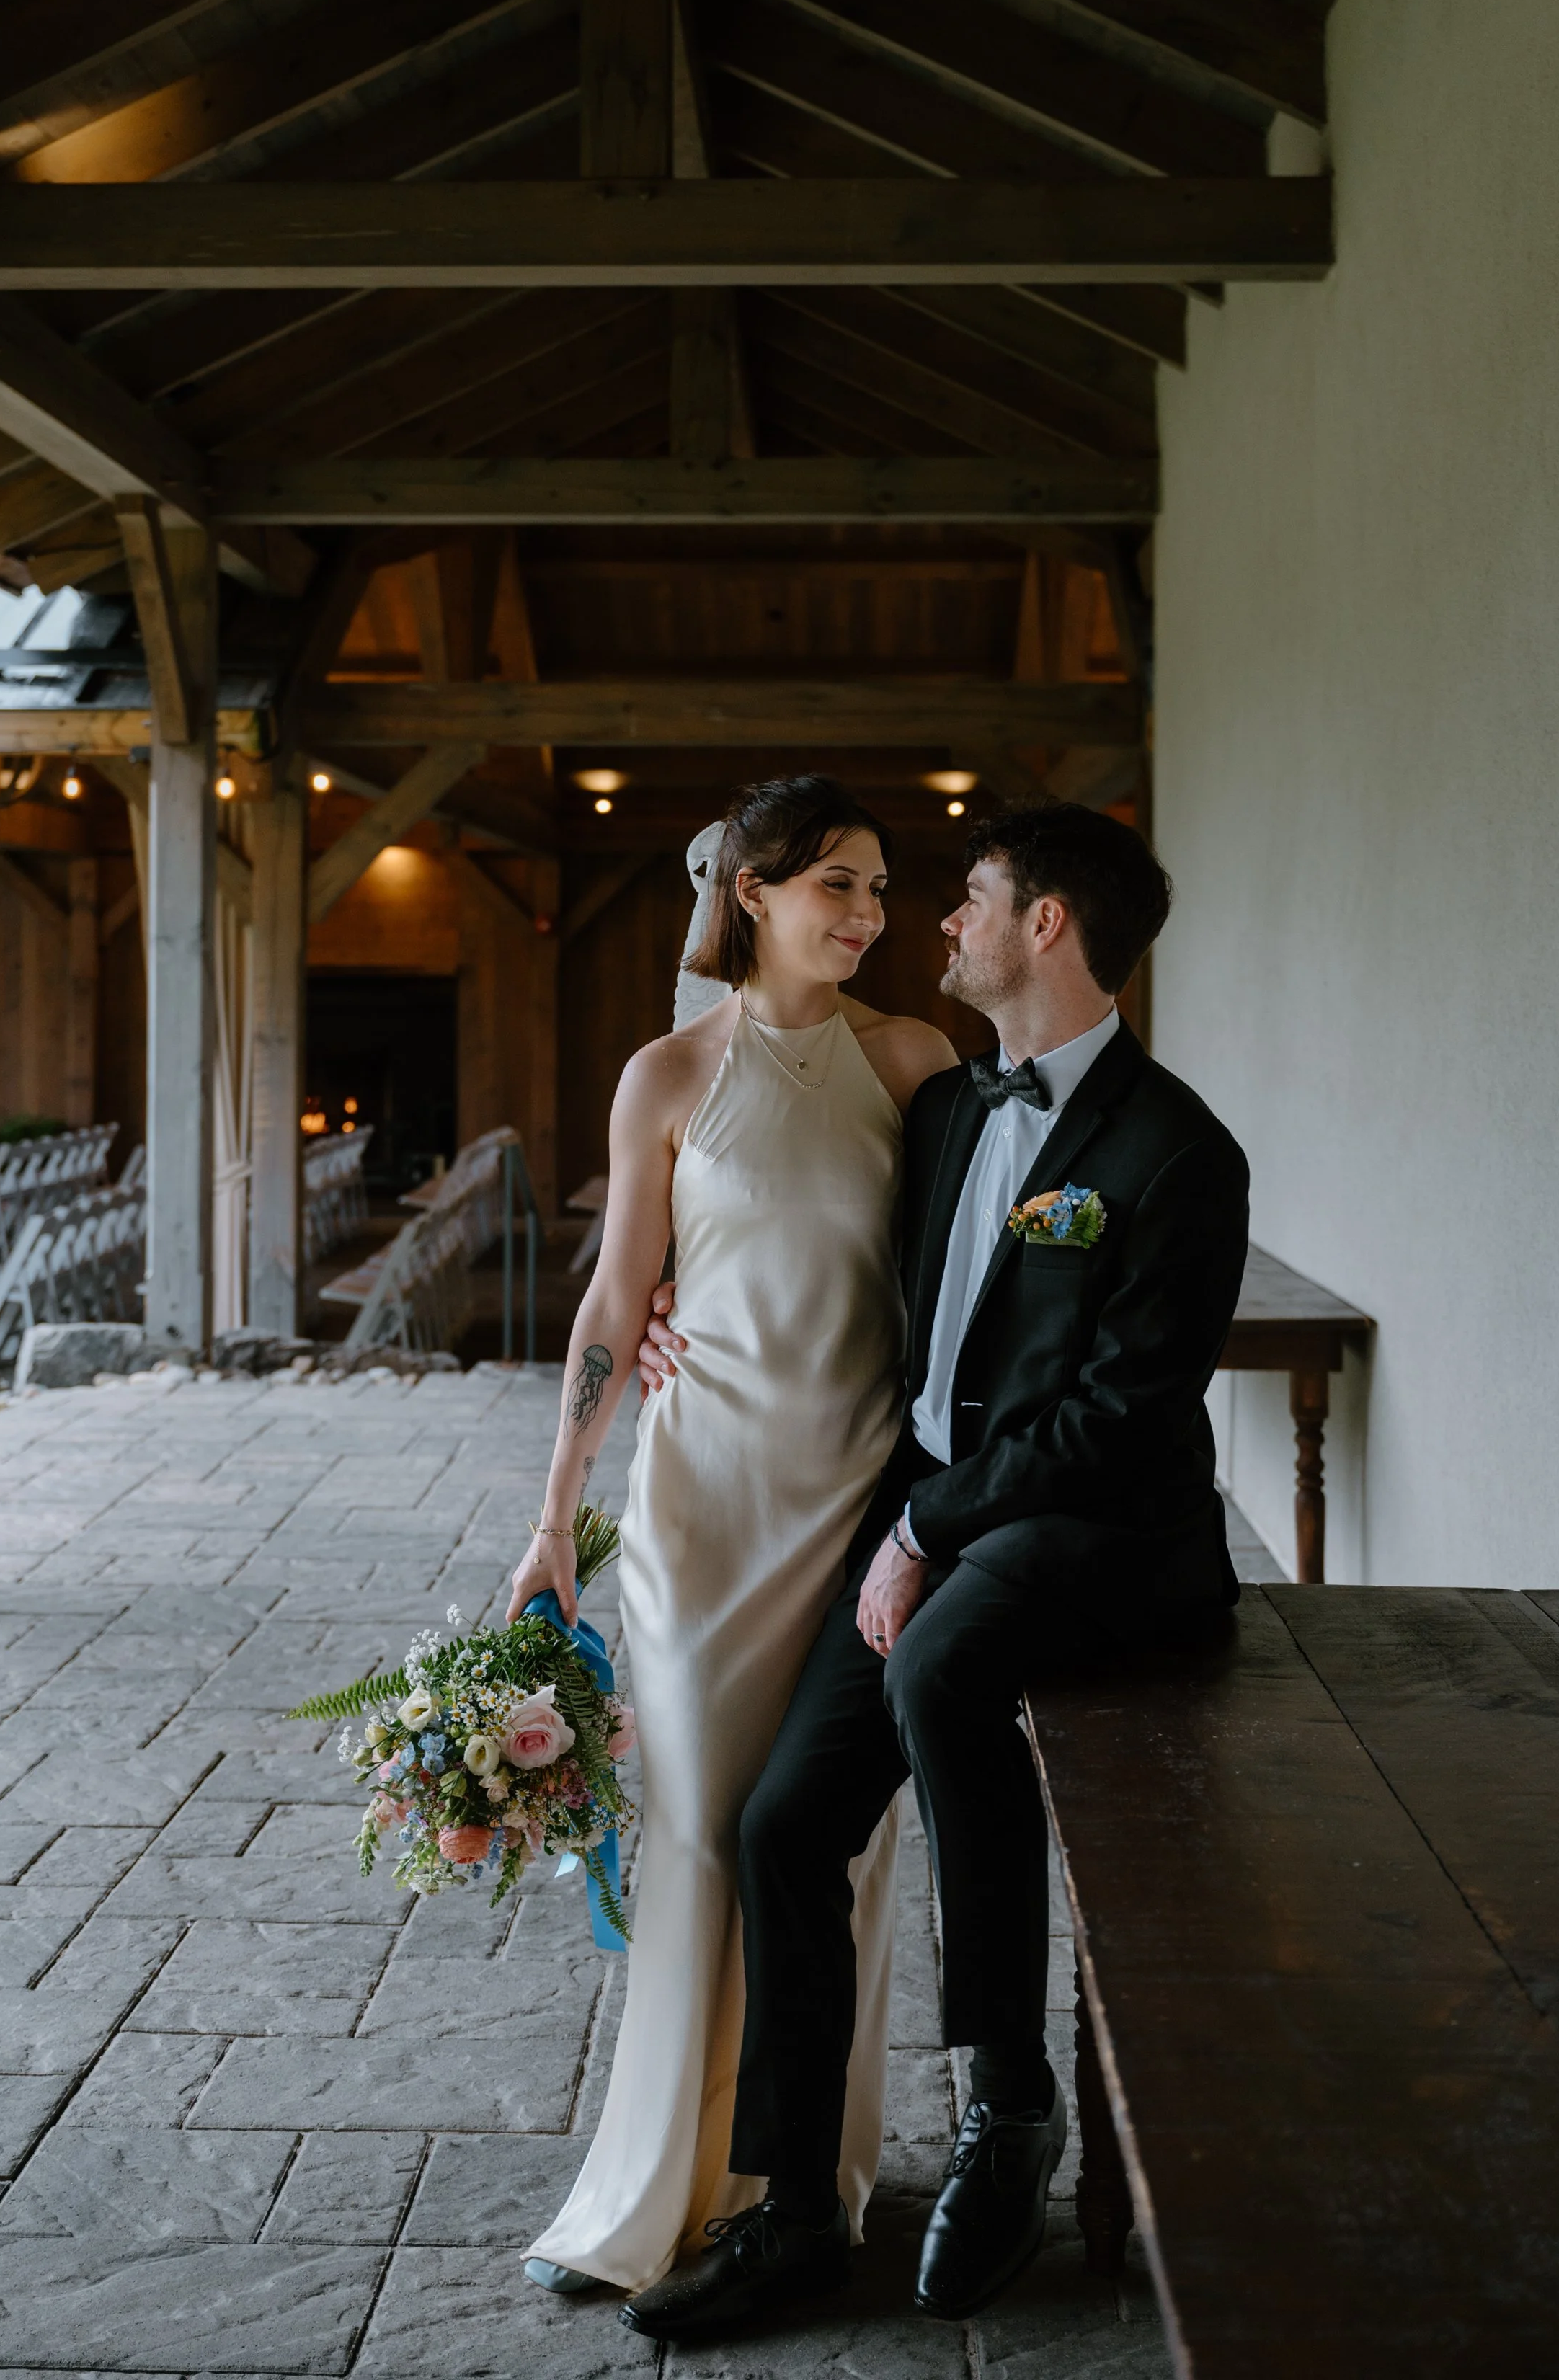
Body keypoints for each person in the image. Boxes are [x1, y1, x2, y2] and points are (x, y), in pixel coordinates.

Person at [621, 802, 1250, 2340]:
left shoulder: (1180, 1152)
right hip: (940, 1504)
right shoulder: (955, 1109)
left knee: (948, 1663)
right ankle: (788, 2216)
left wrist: (916, 1531)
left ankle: (1004, 2104)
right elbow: (788, 1205)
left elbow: (1119, 1418)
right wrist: (657, 1297)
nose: (938, 925)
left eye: (966, 899)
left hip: (1106, 1528)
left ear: (1045, 926)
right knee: (779, 1825)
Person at [508, 774, 956, 2296]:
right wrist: (556, 1515)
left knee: (832, 1846)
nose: (869, 916)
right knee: (698, 1836)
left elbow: (955, 1296)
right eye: (837, 884)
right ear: (752, 893)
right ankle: (651, 2193)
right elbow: (613, 1295)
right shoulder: (669, 1075)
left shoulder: (915, 1060)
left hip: (858, 1508)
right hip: (701, 1505)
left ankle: (801, 2176)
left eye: (882, 890)